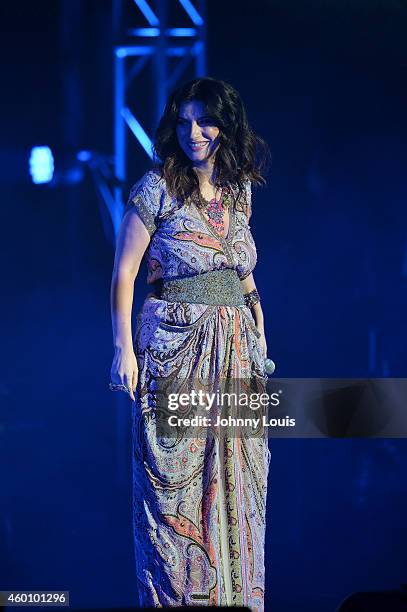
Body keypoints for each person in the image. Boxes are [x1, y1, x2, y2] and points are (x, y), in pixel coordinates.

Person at [110, 76, 272, 610]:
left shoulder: (238, 191)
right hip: (178, 348)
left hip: (237, 353)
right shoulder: (156, 188)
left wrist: (259, 332)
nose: (194, 132)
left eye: (205, 121)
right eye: (184, 121)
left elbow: (243, 273)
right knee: (175, 490)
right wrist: (122, 349)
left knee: (239, 489)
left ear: (226, 125)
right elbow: (124, 274)